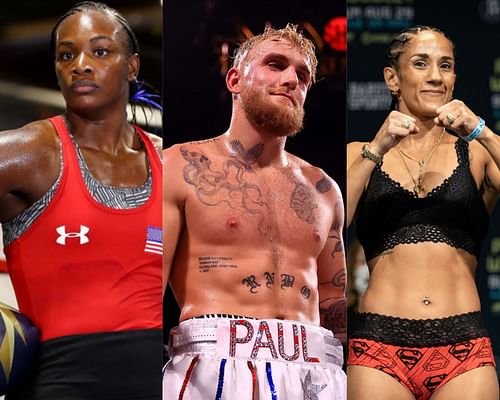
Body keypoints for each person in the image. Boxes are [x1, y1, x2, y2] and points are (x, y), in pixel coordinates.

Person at [163, 24, 347, 399]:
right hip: (212, 365)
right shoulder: (179, 166)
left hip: (316, 370)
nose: (290, 80)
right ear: (235, 79)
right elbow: (147, 288)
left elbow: (332, 296)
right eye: (275, 65)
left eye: (302, 75)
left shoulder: (323, 188)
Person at [0, 2, 163, 399]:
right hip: (62, 383)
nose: (81, 65)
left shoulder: (167, 161)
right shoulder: (31, 152)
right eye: (66, 55)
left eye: (100, 51)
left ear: (132, 66)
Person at [346, 26, 500, 400]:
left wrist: (482, 132)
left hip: (464, 347)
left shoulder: (477, 154)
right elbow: (331, 225)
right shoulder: (358, 152)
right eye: (421, 64)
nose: (435, 76)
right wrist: (378, 147)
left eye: (445, 66)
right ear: (392, 79)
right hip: (379, 349)